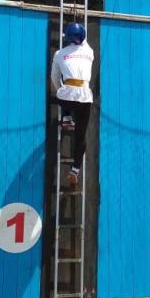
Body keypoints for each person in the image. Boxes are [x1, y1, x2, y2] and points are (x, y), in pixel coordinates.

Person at [50, 23, 94, 186]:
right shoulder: (89, 52)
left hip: (67, 96)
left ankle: (67, 116)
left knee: (61, 94)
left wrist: (61, 90)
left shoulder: (59, 54)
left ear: (67, 38)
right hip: (85, 97)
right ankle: (75, 170)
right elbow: (84, 40)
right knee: (80, 136)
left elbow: (55, 78)